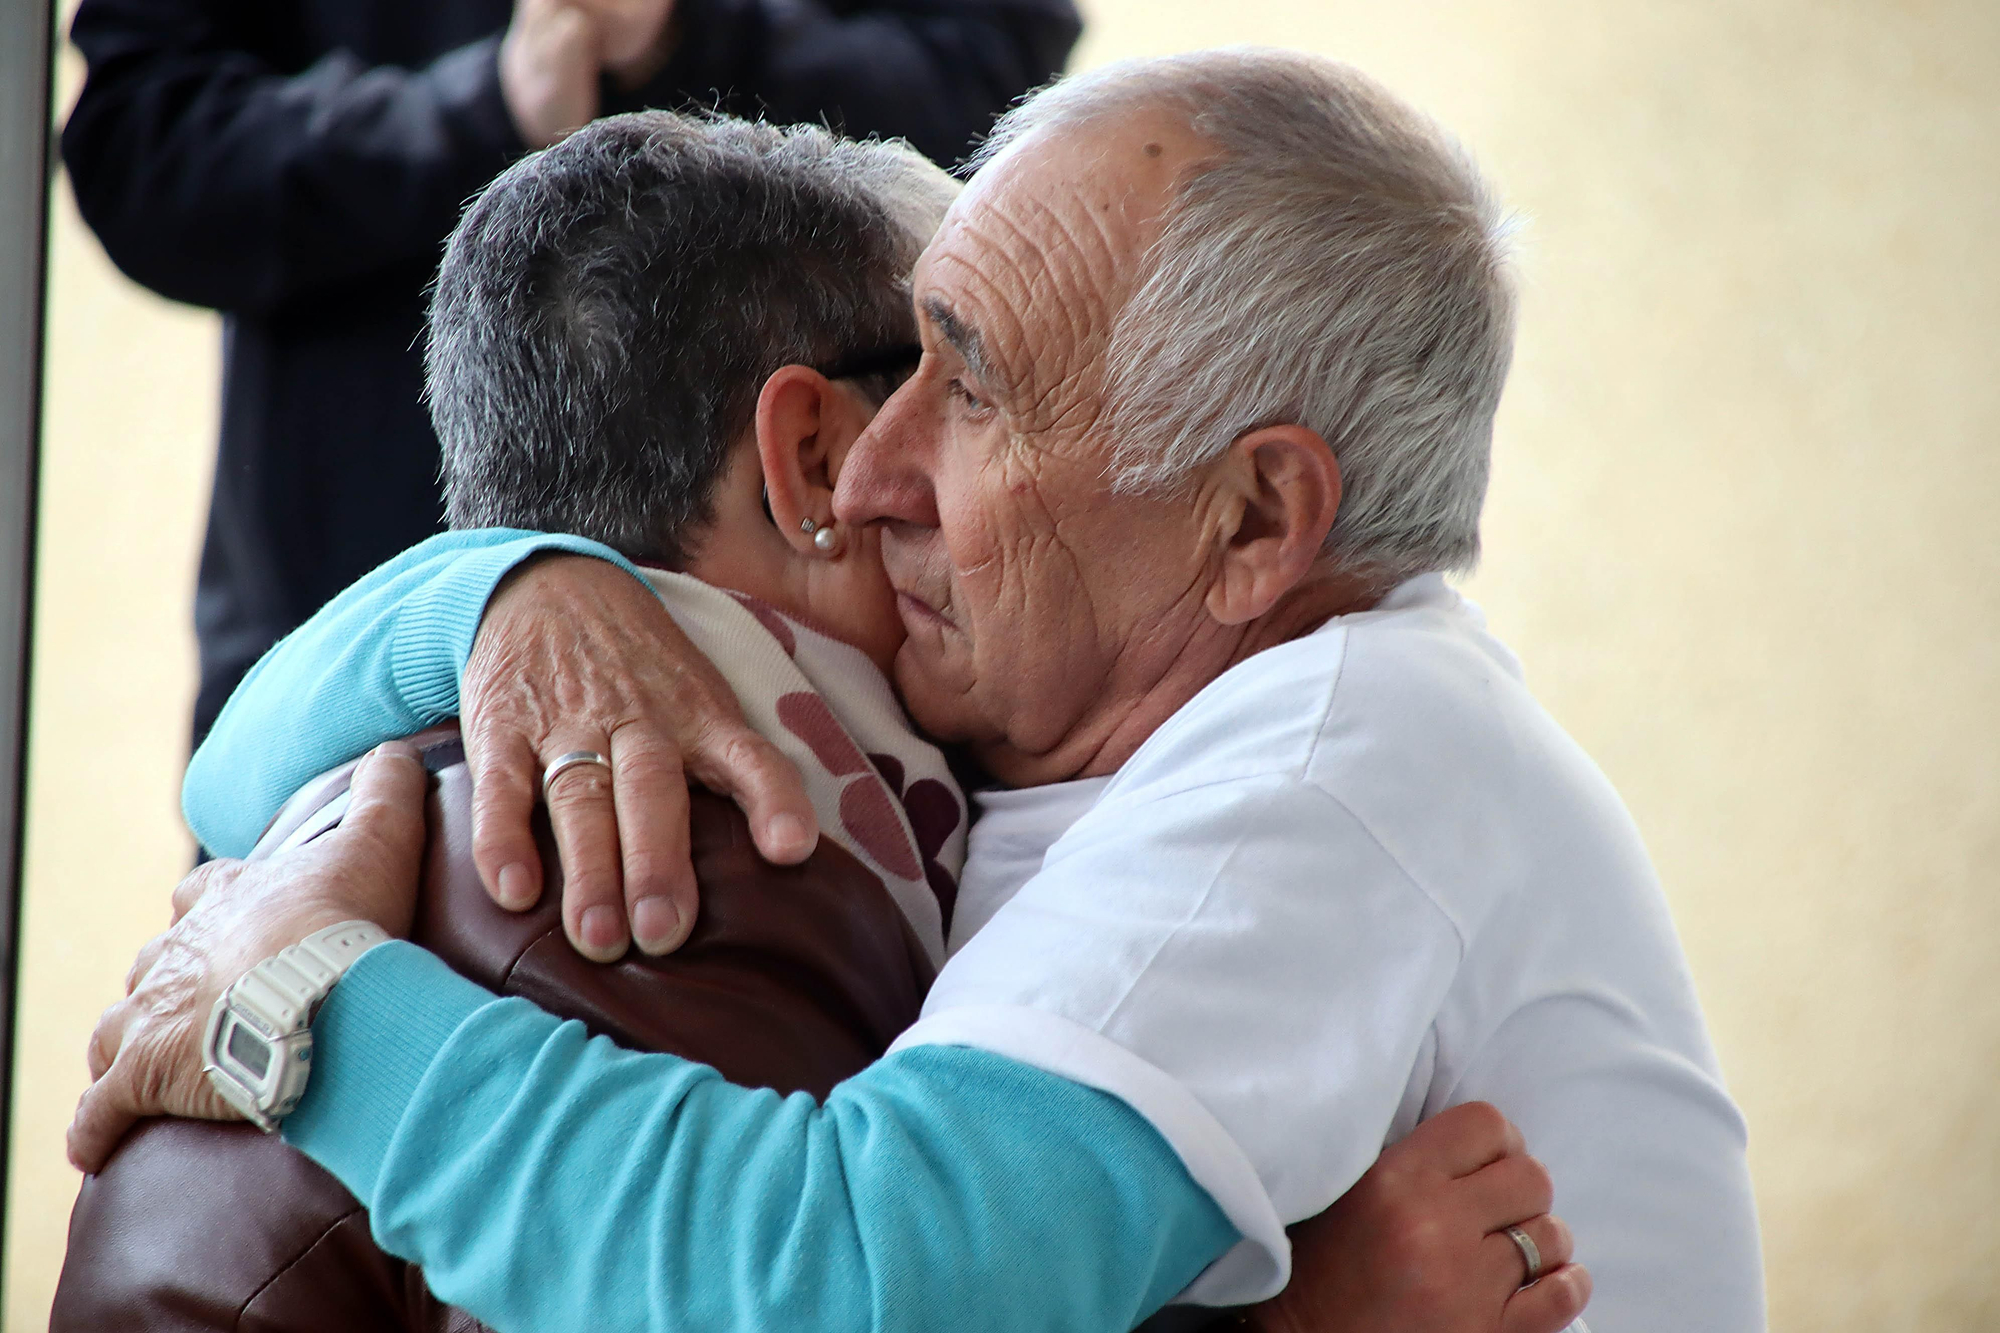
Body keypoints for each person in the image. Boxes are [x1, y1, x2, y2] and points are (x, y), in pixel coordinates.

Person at [77, 46, 1759, 1330]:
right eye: (921, 354)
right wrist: (506, 588)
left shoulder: (1328, 765)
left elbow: (845, 1284)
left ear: (1251, 519)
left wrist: (301, 1010)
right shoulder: (1024, 727)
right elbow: (232, 781)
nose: (873, 468)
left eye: (974, 383)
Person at [59, 0, 1083, 753]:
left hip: (861, 601)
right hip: (348, 606)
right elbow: (142, 152)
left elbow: (1001, 81)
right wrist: (482, 105)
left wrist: (694, 37)